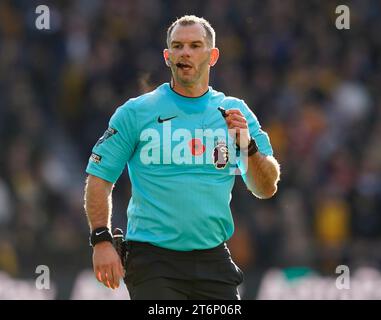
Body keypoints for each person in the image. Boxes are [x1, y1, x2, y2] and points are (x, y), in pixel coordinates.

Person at [84, 15, 280, 300]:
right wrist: (100, 239)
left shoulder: (234, 112)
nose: (184, 52)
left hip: (213, 258)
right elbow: (99, 178)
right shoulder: (137, 112)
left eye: (194, 45)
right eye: (177, 46)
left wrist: (248, 148)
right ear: (167, 56)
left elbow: (266, 188)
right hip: (152, 260)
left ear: (212, 56)